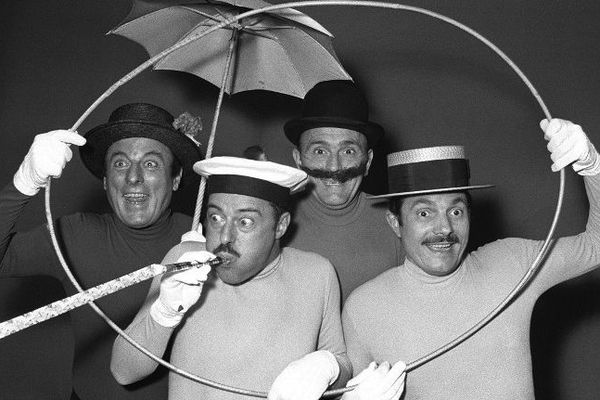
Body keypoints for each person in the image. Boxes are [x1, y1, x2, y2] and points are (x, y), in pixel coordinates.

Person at [342, 118, 600, 399]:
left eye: (456, 211)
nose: (444, 229)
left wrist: (593, 166)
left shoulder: (512, 264)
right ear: (395, 222)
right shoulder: (363, 308)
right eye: (424, 213)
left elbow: (596, 246)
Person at [110, 156, 406, 400]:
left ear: (281, 226)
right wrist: (164, 312)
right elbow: (124, 371)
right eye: (215, 218)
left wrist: (326, 366)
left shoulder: (316, 273)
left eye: (245, 222)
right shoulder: (185, 259)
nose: (225, 237)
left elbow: (341, 362)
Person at [0, 103, 203, 400]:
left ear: (175, 179)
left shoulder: (202, 242)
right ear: (107, 181)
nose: (133, 178)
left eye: (150, 164)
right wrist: (23, 183)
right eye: (120, 164)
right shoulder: (74, 235)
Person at [283, 80, 404, 301]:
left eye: (348, 150)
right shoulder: (272, 224)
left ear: (367, 162)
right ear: (298, 160)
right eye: (319, 151)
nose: (334, 167)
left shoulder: (399, 224)